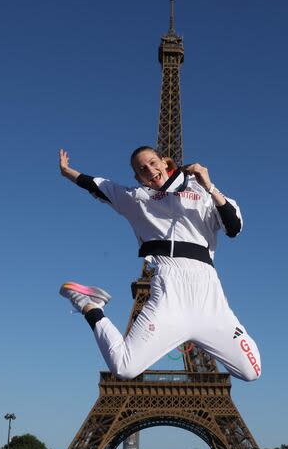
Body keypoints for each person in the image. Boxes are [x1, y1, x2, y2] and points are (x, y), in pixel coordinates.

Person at [57, 147, 262, 381]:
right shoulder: (137, 199)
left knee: (251, 371)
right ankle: (91, 306)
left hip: (209, 298)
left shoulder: (203, 192)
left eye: (153, 163)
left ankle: (205, 341)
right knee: (125, 368)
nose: (150, 171)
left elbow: (234, 228)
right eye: (142, 169)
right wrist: (67, 171)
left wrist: (210, 186)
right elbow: (97, 185)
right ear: (138, 178)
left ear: (165, 162)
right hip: (169, 292)